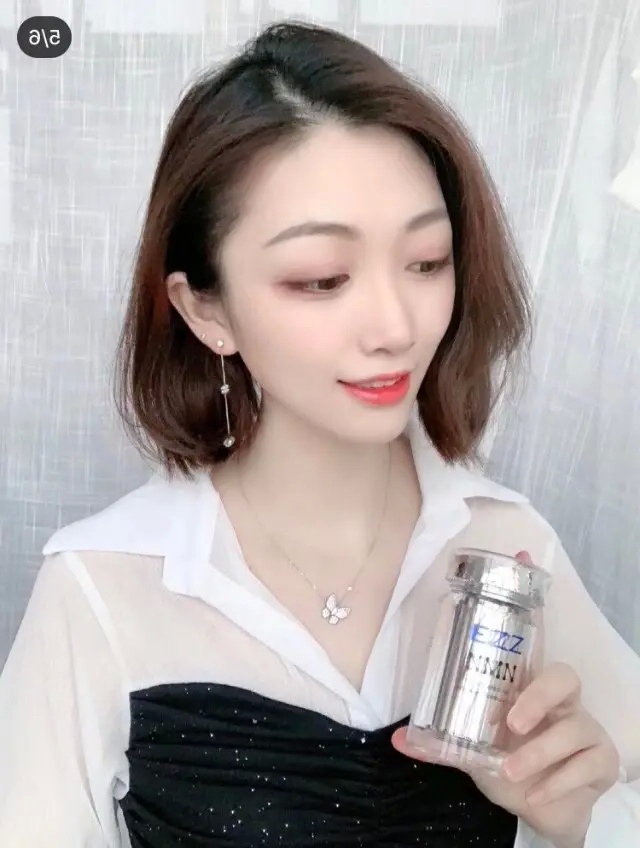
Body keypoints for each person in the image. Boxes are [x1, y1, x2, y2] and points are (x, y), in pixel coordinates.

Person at [0, 20, 638, 848]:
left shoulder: (510, 552)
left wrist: (577, 823)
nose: (396, 326)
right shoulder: (103, 592)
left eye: (427, 261)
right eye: (322, 279)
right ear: (205, 309)